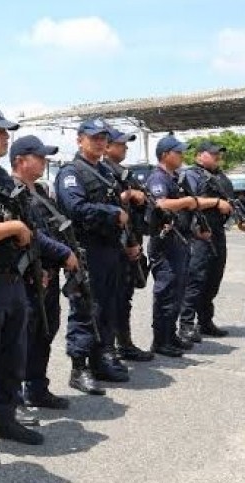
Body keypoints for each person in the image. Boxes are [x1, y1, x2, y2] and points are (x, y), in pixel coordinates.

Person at [0, 109, 70, 461]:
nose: (6, 138)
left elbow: (30, 226)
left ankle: (4, 418)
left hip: (15, 280)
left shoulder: (4, 179)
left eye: (7, 133)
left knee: (13, 355)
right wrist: (12, 229)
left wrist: (37, 265)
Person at [54, 118, 128, 395]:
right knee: (86, 308)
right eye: (94, 137)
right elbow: (76, 208)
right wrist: (112, 214)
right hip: (86, 250)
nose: (100, 142)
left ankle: (101, 359)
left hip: (109, 249)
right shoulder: (72, 172)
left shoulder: (105, 172)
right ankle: (79, 368)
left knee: (107, 306)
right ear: (79, 139)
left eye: (103, 138)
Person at [9, 135, 78, 410]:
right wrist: (63, 253)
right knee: (21, 340)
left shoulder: (40, 191)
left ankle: (37, 388)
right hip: (26, 276)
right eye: (39, 157)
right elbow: (28, 235)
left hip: (46, 274)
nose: (44, 161)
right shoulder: (13, 191)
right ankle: (14, 400)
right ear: (20, 161)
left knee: (44, 333)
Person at [145, 135, 229, 356]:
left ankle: (170, 336)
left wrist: (195, 229)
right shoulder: (158, 178)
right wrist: (188, 202)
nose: (182, 156)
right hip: (164, 243)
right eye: (178, 152)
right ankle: (160, 341)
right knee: (166, 292)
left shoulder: (174, 179)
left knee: (176, 292)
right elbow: (161, 204)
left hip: (180, 240)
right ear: (165, 155)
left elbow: (183, 213)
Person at [103, 128, 154, 362]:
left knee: (125, 296)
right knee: (110, 299)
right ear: (107, 146)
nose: (125, 148)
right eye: (120, 144)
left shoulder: (125, 172)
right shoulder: (104, 172)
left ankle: (124, 343)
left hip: (132, 239)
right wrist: (128, 195)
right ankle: (108, 349)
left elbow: (143, 202)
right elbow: (111, 204)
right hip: (116, 243)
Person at [178, 140, 234, 340]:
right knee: (196, 278)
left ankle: (205, 321)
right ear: (200, 155)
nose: (218, 156)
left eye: (219, 153)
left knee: (213, 278)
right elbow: (189, 202)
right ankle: (186, 324)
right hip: (199, 233)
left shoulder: (220, 176)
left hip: (218, 232)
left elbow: (232, 201)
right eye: (213, 153)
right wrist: (216, 202)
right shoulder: (191, 175)